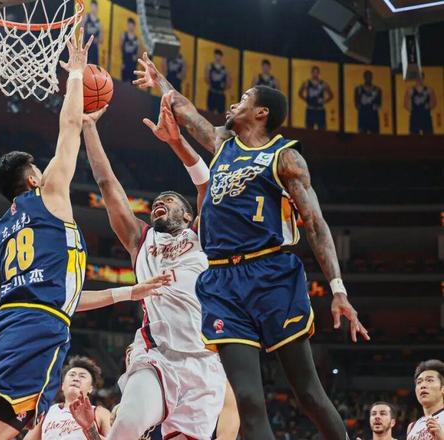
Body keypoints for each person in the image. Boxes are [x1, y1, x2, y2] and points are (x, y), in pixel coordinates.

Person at [134, 52, 370, 440]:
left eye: (243, 98)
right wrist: (160, 81)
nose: (233, 103)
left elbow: (315, 224)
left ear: (261, 113)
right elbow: (185, 112)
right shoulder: (222, 144)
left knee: (308, 392)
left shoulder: (285, 157)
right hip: (222, 281)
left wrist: (338, 290)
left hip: (270, 274)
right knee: (247, 399)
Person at [0, 32, 170, 440]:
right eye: (39, 170)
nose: (47, 171)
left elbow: (63, 296)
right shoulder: (49, 194)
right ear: (32, 178)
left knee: (1, 430)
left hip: (6, 325)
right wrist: (76, 74)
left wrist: (130, 292)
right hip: (34, 327)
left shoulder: (3, 229)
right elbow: (69, 126)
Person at [69, 97, 238, 439]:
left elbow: (206, 186)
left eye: (169, 200)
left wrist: (177, 142)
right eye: (156, 202)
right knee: (127, 425)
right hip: (156, 355)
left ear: (187, 215)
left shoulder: (202, 235)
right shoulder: (140, 240)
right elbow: (108, 185)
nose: (160, 202)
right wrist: (89, 127)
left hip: (204, 363)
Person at [23, 356, 111, 439]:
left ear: (90, 388)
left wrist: (89, 428)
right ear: (62, 386)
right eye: (72, 375)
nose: (76, 378)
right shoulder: (47, 412)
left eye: (82, 376)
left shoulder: (100, 412)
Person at [406, 359, 444, 440]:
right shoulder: (412, 427)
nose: (422, 385)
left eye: (429, 380)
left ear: (443, 388)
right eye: (419, 382)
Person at [299, 65, 333, 130]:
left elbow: (331, 95)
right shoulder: (307, 83)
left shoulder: (323, 84)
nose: (315, 74)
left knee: (322, 130)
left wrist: (324, 101)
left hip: (320, 110)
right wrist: (306, 99)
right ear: (311, 73)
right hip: (310, 109)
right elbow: (300, 93)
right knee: (309, 130)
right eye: (314, 72)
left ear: (319, 73)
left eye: (316, 72)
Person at [205, 49, 230, 114]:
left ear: (221, 57)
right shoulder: (210, 66)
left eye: (219, 56)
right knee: (210, 112)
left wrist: (223, 87)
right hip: (212, 92)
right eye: (216, 56)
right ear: (214, 56)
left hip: (221, 94)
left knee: (221, 113)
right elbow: (206, 78)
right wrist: (212, 84)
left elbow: (228, 83)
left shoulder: (225, 69)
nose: (218, 58)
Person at [120, 17, 140, 82]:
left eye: (132, 25)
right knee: (124, 82)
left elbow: (139, 53)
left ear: (134, 26)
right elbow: (121, 48)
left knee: (133, 83)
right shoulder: (123, 35)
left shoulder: (137, 39)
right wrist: (123, 62)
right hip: (125, 63)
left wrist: (136, 57)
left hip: (133, 65)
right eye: (129, 25)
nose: (130, 27)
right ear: (128, 25)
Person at [84, 0, 103, 65]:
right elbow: (81, 30)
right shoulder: (86, 17)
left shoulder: (99, 23)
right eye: (92, 6)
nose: (93, 8)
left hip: (94, 50)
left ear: (97, 8)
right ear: (90, 7)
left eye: (94, 7)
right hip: (86, 48)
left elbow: (101, 39)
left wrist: (98, 39)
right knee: (86, 67)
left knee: (94, 67)